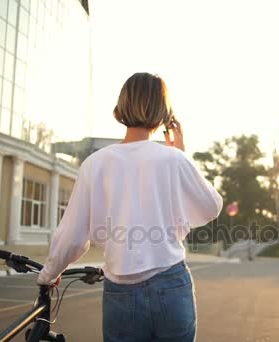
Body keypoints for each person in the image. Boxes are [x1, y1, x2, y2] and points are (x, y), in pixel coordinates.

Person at [37, 72, 223, 341]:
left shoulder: (95, 164)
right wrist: (181, 154)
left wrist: (50, 274)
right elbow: (211, 206)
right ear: (163, 113)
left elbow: (73, 236)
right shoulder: (173, 159)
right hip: (171, 283)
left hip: (121, 290)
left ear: (120, 107)